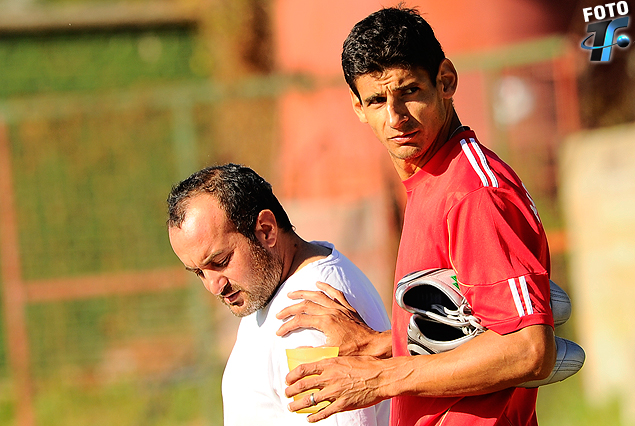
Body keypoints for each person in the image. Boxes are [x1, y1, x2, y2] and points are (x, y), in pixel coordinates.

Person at [276, 6, 556, 426]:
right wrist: (381, 345)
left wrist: (379, 377)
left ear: (446, 81)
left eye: (409, 91)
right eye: (376, 100)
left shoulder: (471, 193)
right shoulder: (432, 180)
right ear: (358, 109)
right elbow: (470, 328)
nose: (395, 116)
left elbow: (529, 349)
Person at [166, 163, 390, 426]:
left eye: (221, 261)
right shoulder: (272, 287)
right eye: (199, 273)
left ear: (266, 230)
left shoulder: (310, 315)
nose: (214, 286)